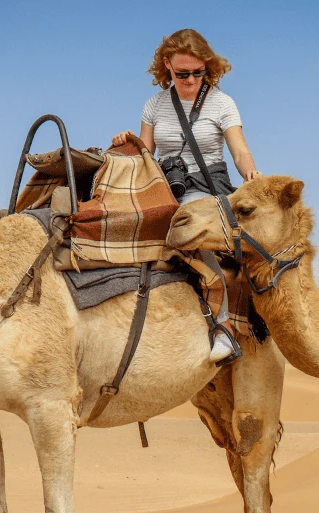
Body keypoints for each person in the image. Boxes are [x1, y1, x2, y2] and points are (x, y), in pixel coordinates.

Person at [113, 28, 262, 363]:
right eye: (183, 73)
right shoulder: (154, 105)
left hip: (208, 188)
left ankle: (223, 323)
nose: (191, 80)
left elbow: (239, 151)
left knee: (190, 224)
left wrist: (250, 173)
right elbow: (144, 156)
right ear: (167, 66)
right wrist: (127, 142)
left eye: (198, 72)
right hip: (166, 185)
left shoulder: (222, 103)